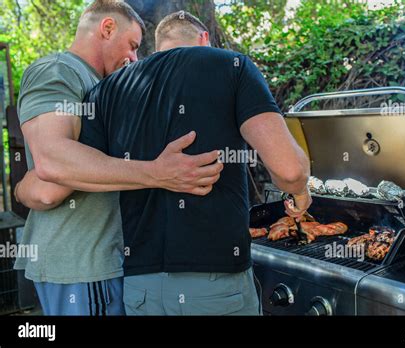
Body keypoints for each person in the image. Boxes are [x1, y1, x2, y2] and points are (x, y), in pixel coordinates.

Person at [79, 11, 312, 315]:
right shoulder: (231, 66)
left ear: (157, 44)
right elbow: (289, 170)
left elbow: (85, 172)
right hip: (215, 289)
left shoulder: (105, 90)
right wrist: (301, 193)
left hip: (139, 290)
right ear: (205, 39)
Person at [14, 1, 223, 316]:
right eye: (133, 46)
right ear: (107, 28)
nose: (135, 58)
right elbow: (53, 165)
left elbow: (42, 182)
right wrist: (157, 173)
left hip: (108, 263)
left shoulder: (103, 86)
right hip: (84, 266)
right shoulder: (59, 70)